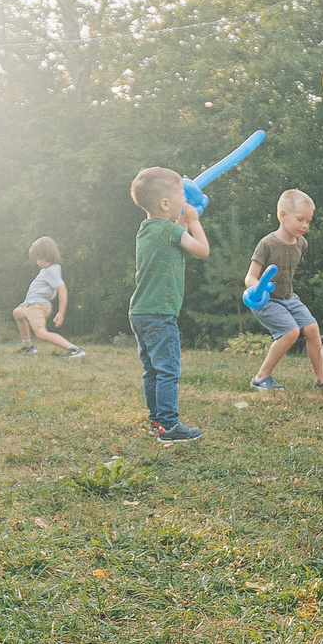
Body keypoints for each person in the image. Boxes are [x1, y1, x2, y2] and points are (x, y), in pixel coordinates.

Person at [128, 166, 210, 445]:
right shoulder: (168, 230)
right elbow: (202, 250)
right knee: (168, 370)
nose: (184, 203)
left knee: (152, 369)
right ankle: (169, 425)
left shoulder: (149, 229)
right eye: (180, 197)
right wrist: (195, 221)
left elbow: (177, 232)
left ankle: (156, 422)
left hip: (140, 311)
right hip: (160, 314)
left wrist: (184, 219)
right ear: (165, 204)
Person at [246, 190, 323, 392]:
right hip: (266, 300)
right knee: (290, 332)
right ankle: (261, 377)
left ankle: (321, 379)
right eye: (300, 219)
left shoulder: (301, 244)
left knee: (311, 328)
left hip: (288, 297)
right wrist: (259, 288)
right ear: (282, 216)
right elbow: (249, 277)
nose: (305, 226)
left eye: (308, 221)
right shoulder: (267, 244)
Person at [11, 236, 83, 357]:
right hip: (32, 304)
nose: (37, 262)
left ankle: (74, 349)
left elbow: (62, 289)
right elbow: (38, 290)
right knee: (17, 313)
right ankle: (27, 346)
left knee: (41, 334)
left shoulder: (51, 271)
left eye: (39, 258)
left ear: (47, 256)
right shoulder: (48, 270)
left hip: (37, 306)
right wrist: (27, 302)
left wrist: (61, 312)